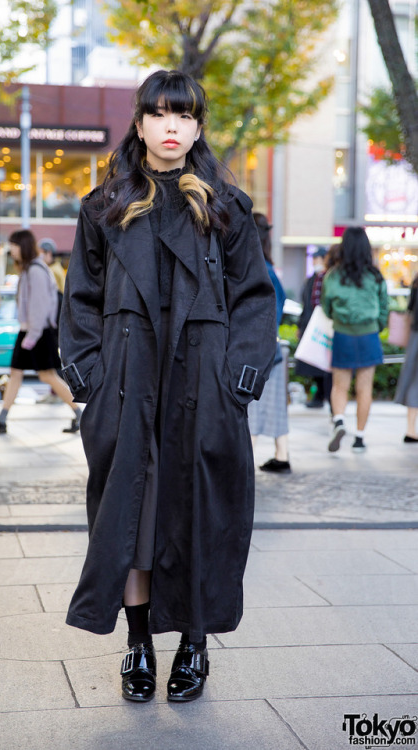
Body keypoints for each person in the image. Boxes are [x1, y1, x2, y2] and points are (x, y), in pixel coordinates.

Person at [59, 69, 276, 704]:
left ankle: (194, 645)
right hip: (127, 392)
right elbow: (81, 302)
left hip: (203, 390)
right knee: (133, 521)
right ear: (140, 123)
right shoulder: (103, 206)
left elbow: (256, 301)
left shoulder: (227, 208)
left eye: (183, 115)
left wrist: (235, 384)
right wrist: (92, 385)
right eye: (158, 114)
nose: (171, 126)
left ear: (198, 126)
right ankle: (137, 646)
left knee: (201, 517)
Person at [0, 229, 82, 435]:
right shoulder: (30, 269)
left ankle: (80, 414)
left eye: (14, 245)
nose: (11, 250)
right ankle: (2, 418)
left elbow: (40, 307)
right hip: (33, 331)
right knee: (19, 373)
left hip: (37, 333)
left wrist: (31, 336)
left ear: (22, 246)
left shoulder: (35, 270)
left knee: (47, 376)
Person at [321, 227, 388, 453]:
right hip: (369, 335)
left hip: (343, 334)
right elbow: (384, 309)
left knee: (340, 385)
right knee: (364, 388)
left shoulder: (333, 275)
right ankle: (359, 438)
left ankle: (339, 420)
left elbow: (326, 308)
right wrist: (375, 326)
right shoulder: (376, 276)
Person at [248, 213, 292, 474]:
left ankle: (246, 460)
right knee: (275, 405)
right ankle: (282, 454)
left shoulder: (256, 267)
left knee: (252, 406)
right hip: (273, 349)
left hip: (257, 349)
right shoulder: (268, 267)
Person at [295, 246, 332, 408]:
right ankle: (319, 395)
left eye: (317, 258)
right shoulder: (312, 279)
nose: (315, 261)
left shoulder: (328, 278)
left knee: (324, 364)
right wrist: (300, 325)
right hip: (310, 325)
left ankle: (326, 397)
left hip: (323, 326)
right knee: (312, 363)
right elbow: (305, 304)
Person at [394, 273, 418, 442]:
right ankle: (410, 430)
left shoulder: (416, 281)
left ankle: (410, 428)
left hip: (415, 336)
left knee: (414, 381)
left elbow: (410, 309)